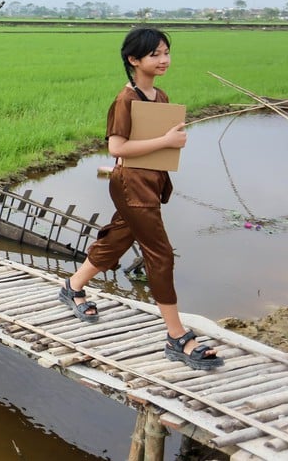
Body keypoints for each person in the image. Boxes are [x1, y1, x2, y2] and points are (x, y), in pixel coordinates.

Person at [59, 26, 222, 371]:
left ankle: (73, 286)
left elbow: (155, 141)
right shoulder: (125, 100)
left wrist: (170, 141)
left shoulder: (159, 97)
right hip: (131, 184)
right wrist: (166, 142)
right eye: (155, 54)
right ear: (134, 59)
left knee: (119, 238)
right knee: (160, 254)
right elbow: (116, 149)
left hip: (149, 181)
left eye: (166, 52)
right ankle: (176, 336)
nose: (164, 60)